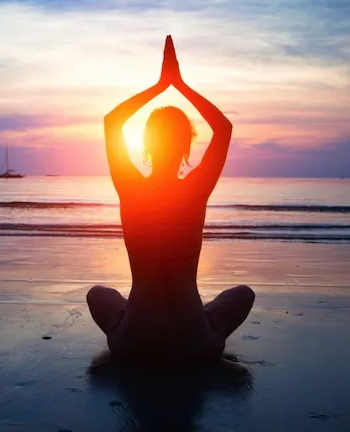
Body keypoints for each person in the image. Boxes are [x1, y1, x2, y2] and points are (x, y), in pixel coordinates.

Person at [87, 35, 255, 362]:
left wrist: (159, 85)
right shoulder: (195, 190)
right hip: (194, 344)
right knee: (242, 294)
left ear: (146, 145)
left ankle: (135, 320)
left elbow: (112, 122)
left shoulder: (130, 186)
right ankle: (199, 317)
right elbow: (223, 128)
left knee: (99, 294)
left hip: (134, 344)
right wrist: (180, 84)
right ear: (187, 147)